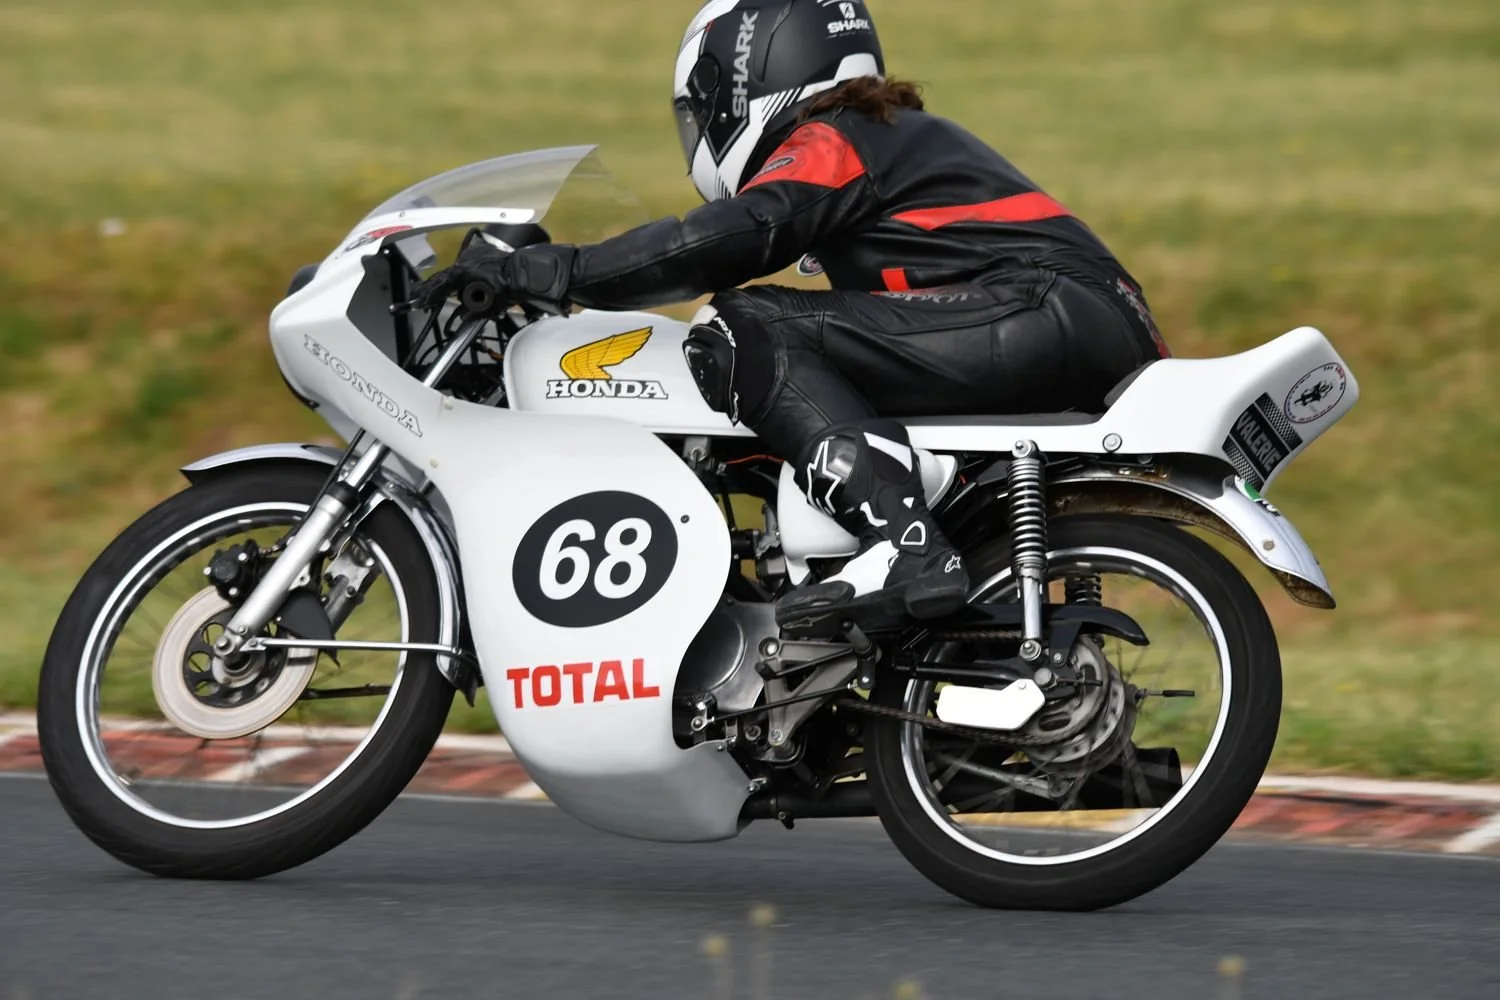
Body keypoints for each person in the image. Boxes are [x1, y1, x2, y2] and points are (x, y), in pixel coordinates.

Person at [412, 0, 1168, 632]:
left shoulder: (837, 134)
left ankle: (906, 544)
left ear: (746, 76)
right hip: (1069, 316)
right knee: (802, 385)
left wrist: (556, 269)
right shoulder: (885, 133)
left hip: (1043, 307)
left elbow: (728, 239)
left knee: (746, 323)